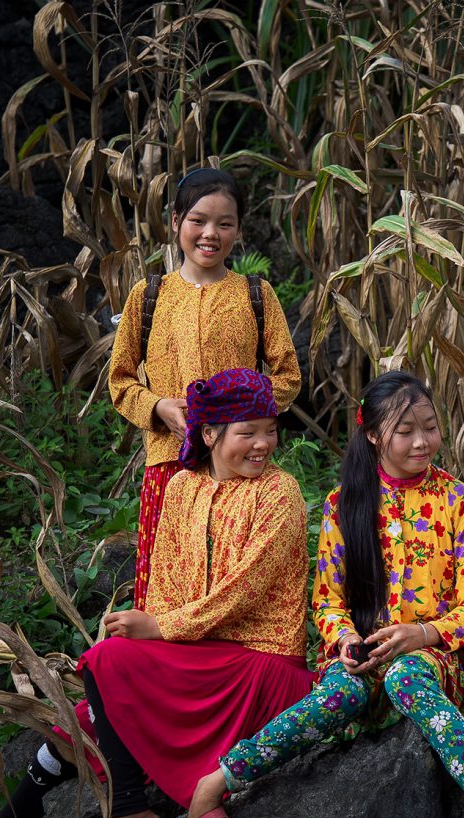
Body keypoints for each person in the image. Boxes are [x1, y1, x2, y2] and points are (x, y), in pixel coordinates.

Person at [184, 371, 464, 818]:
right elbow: (327, 601)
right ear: (373, 435)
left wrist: (422, 635)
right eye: (405, 431)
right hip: (364, 656)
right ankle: (216, 783)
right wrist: (347, 640)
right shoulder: (344, 503)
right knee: (340, 693)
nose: (422, 442)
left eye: (430, 427)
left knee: (407, 676)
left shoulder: (460, 501)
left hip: (433, 661)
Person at [0, 369, 315, 818]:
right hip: (199, 655)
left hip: (259, 664)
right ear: (209, 434)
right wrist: (151, 629)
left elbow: (244, 591)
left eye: (270, 430)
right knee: (87, 715)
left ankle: (128, 811)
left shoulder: (279, 492)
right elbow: (167, 584)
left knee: (106, 661)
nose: (263, 444)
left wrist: (161, 626)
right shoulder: (181, 487)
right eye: (248, 432)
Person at [107, 166, 301, 610]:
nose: (210, 233)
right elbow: (120, 380)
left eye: (224, 223)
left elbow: (288, 376)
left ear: (239, 229)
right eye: (198, 220)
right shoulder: (149, 295)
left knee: (228, 584)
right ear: (176, 222)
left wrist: (237, 414)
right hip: (167, 464)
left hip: (238, 469)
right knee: (166, 589)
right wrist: (158, 407)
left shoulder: (255, 294)